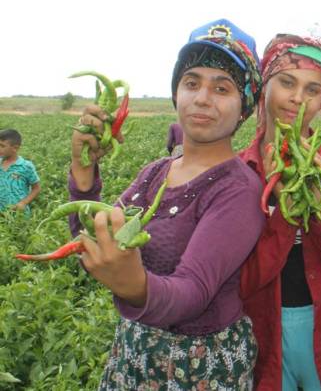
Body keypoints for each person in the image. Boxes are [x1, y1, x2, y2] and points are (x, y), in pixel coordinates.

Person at [68, 19, 264, 389]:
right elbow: (93, 238)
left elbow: (192, 292)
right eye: (192, 83)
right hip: (134, 352)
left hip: (200, 368)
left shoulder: (238, 189)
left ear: (244, 108)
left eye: (222, 88)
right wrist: (83, 171)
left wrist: (135, 286)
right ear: (176, 94)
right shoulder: (156, 171)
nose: (202, 98)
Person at [238, 34, 321, 391]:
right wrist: (285, 214)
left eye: (312, 90)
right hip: (263, 342)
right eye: (286, 82)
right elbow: (242, 283)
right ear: (265, 83)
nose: (297, 98)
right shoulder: (239, 172)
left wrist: (320, 208)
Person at [0, 128, 41, 214]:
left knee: (17, 227)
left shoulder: (25, 166)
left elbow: (36, 188)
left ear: (15, 148)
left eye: (2, 146)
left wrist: (24, 203)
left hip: (19, 214)